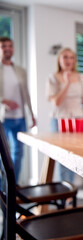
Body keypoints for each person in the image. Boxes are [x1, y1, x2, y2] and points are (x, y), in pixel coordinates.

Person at [46, 48, 83, 182]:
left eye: (71, 57)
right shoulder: (53, 78)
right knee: (61, 156)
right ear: (59, 60)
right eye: (65, 57)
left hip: (78, 120)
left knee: (74, 156)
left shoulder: (81, 78)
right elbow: (56, 102)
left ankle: (70, 190)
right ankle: (64, 191)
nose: (68, 60)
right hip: (59, 119)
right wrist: (66, 83)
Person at [0, 37, 36, 183]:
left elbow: (26, 94)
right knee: (4, 154)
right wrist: (3, 101)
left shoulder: (21, 70)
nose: (7, 48)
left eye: (10, 46)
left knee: (18, 153)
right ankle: (3, 188)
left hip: (20, 117)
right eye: (3, 46)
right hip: (3, 118)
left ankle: (13, 186)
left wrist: (32, 115)